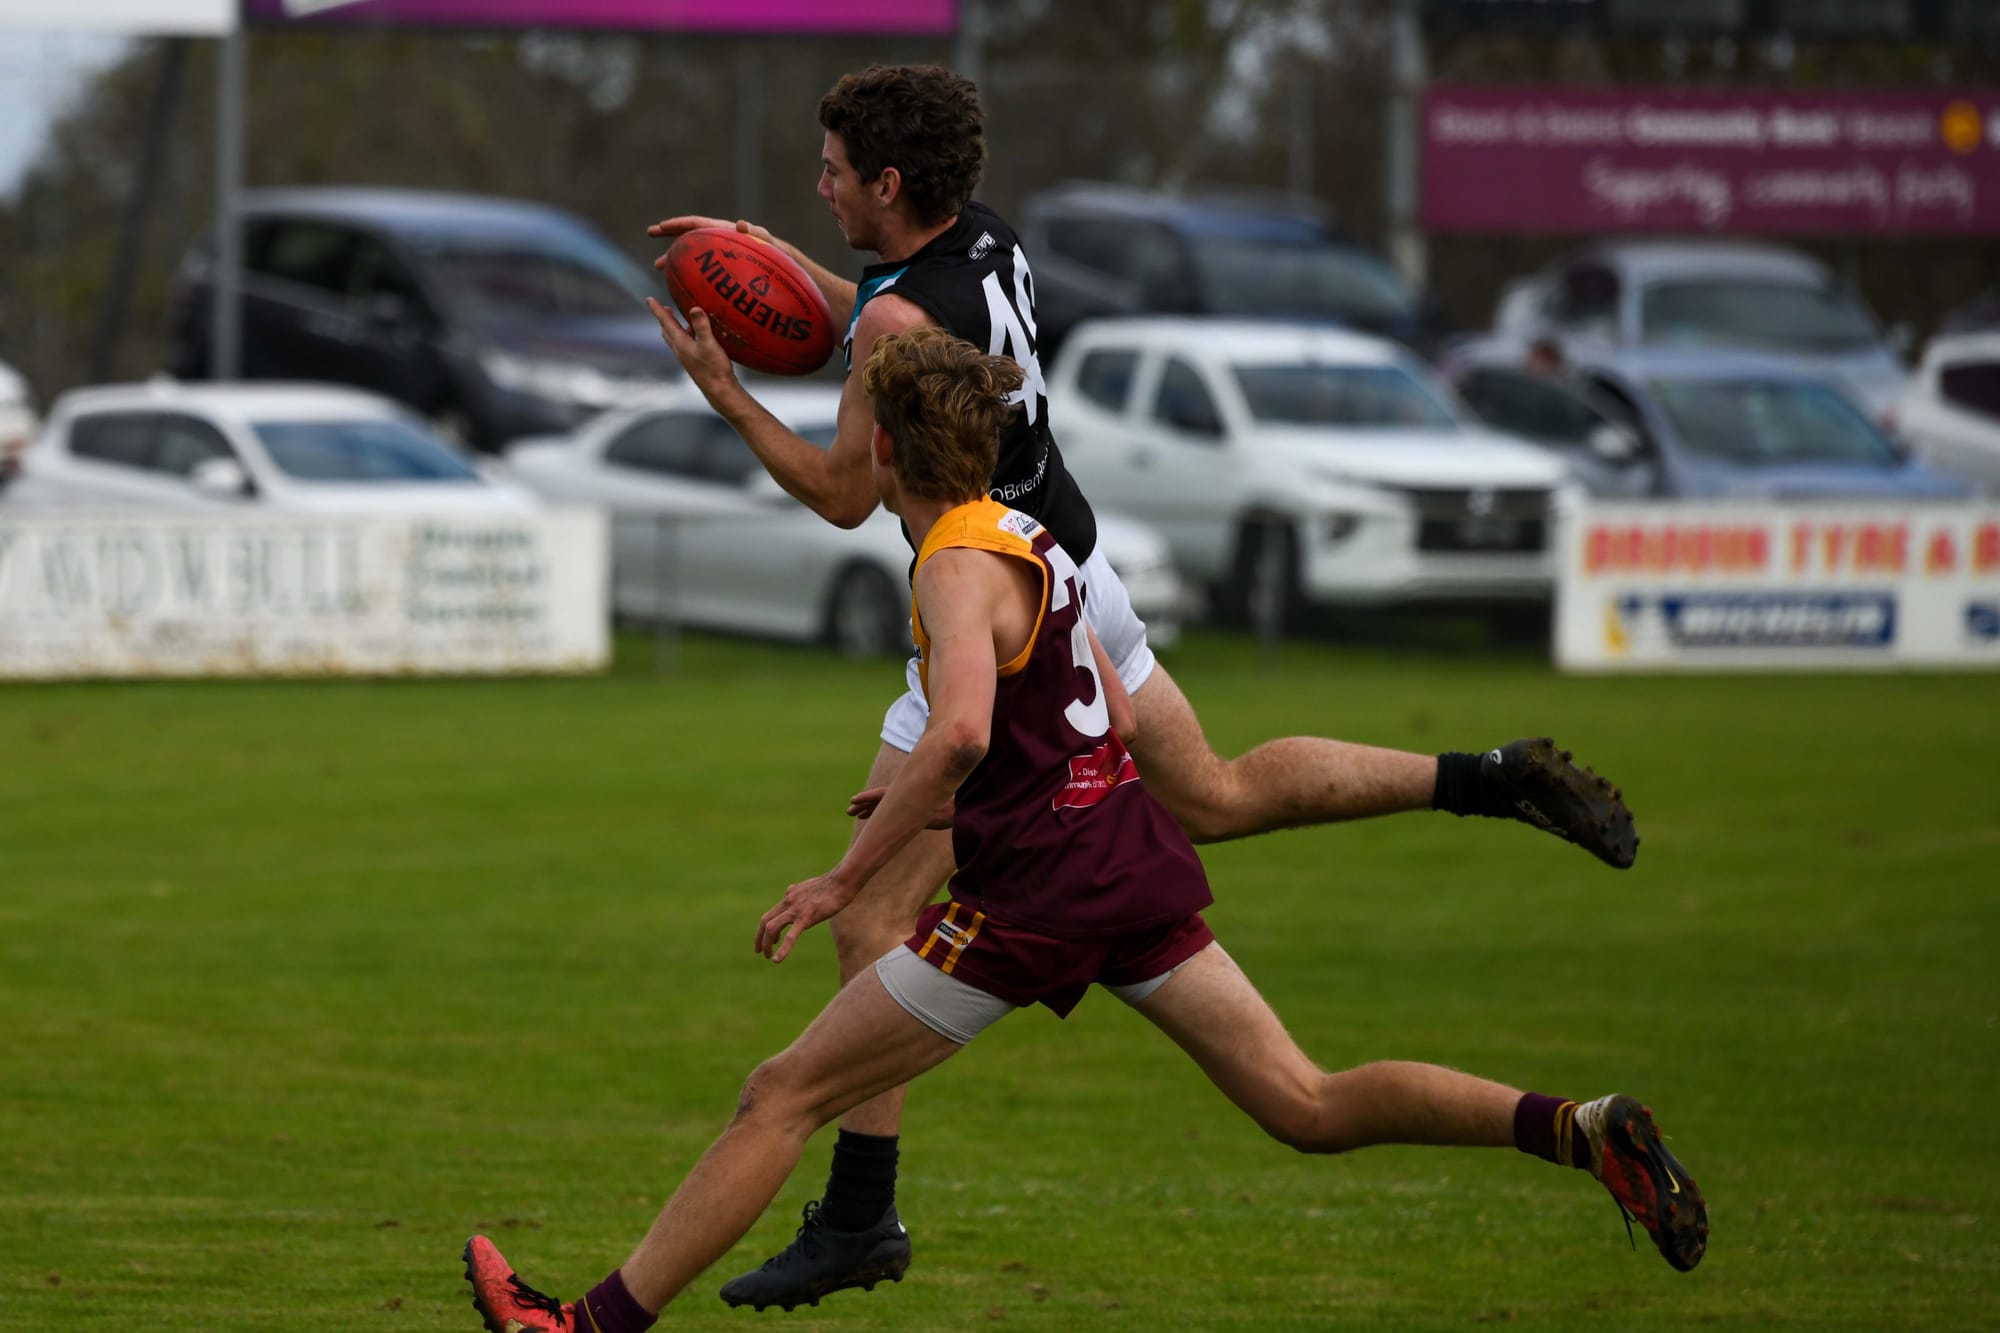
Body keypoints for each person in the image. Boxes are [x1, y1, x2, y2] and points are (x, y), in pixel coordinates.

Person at [460, 329, 1706, 1333]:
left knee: (779, 1092)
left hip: (1034, 906)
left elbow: (954, 731)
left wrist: (848, 875)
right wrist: (976, 797)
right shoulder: (1035, 540)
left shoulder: (949, 566)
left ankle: (584, 1326)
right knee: (1304, 1102)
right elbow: (1081, 713)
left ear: (887, 448)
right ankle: (1573, 1126)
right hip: (1120, 859)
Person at [643, 63, 1640, 1309]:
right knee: (1212, 796)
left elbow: (849, 490)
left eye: (834, 170)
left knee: (864, 918)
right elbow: (881, 314)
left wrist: (728, 389)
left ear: (888, 185)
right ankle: (1478, 778)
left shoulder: (898, 332)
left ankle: (858, 1214)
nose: (818, 183)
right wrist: (771, 263)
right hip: (1075, 566)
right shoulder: (979, 240)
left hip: (985, 598)